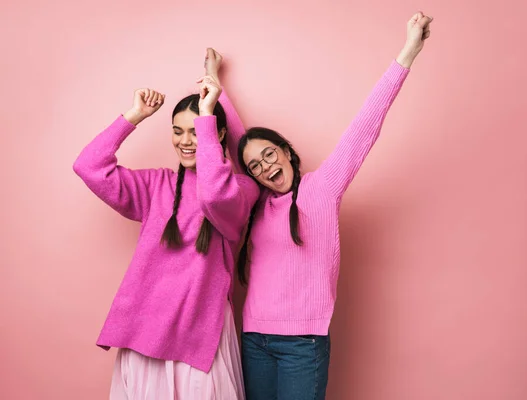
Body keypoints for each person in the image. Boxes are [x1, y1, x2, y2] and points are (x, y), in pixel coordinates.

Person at [217, 12, 433, 400]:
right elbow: (239, 140)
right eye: (255, 166)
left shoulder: (322, 188)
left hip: (302, 344)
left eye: (270, 154)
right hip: (253, 339)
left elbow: (366, 124)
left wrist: (408, 53)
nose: (265, 167)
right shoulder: (256, 201)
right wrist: (215, 88)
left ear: (286, 151)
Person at [73, 59, 258, 399]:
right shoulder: (157, 185)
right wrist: (134, 116)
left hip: (201, 339)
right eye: (177, 131)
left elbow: (215, 194)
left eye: (195, 130)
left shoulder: (242, 189)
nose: (186, 141)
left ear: (216, 134)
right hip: (145, 334)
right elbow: (88, 166)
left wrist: (209, 107)